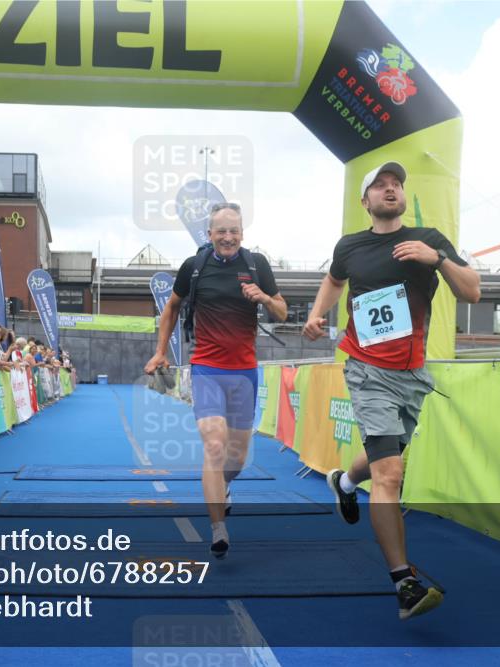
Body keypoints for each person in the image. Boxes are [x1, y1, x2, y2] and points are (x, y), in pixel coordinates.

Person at [303, 162, 481, 621]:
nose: (390, 189)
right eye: (380, 185)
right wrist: (317, 314)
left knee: (387, 456)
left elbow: (473, 292)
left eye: (396, 184)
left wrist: (436, 259)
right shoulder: (351, 246)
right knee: (390, 475)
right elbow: (334, 280)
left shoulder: (429, 238)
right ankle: (404, 582)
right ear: (366, 202)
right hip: (366, 370)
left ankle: (342, 481)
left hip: (412, 375)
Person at [145, 202, 287, 559]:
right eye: (221, 231)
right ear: (209, 235)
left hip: (244, 373)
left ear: (242, 233)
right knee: (214, 445)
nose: (228, 237)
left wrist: (264, 297)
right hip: (206, 368)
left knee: (235, 461)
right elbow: (172, 307)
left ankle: (224, 486)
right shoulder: (195, 267)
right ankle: (218, 528)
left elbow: (282, 312)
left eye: (234, 231)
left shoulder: (258, 265)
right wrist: (161, 351)